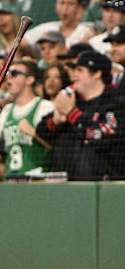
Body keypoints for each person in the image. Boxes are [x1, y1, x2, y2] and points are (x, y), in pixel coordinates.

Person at [36, 51, 125, 180]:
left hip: (103, 187)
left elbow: (102, 136)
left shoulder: (115, 102)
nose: (74, 74)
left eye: (79, 70)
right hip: (65, 185)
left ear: (97, 74)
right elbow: (41, 132)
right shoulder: (74, 101)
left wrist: (72, 114)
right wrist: (54, 121)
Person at [0, 60, 54, 177]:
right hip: (11, 179)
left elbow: (55, 147)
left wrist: (33, 133)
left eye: (14, 74)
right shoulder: (8, 109)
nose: (9, 78)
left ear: (29, 80)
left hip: (36, 180)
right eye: (8, 74)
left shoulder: (44, 106)